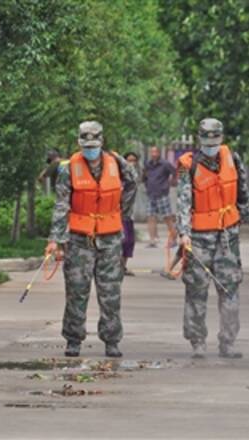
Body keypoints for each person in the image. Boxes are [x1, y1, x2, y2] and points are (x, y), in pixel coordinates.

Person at [46, 121, 137, 358]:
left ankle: (112, 340)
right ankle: (73, 339)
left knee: (110, 292)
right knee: (77, 291)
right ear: (80, 143)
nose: (90, 150)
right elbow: (61, 204)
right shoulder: (69, 168)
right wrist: (55, 238)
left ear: (102, 143)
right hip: (79, 238)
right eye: (86, 146)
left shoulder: (117, 163)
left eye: (93, 146)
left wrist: (121, 212)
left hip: (109, 238)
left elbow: (132, 183)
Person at [176, 118, 249, 359]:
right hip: (199, 237)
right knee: (196, 290)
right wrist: (184, 233)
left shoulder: (233, 158)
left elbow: (242, 191)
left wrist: (243, 216)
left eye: (215, 140)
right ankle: (197, 341)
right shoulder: (189, 165)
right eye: (207, 140)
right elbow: (183, 200)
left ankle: (228, 342)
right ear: (200, 139)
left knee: (230, 289)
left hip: (228, 236)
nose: (212, 145)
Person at [143, 146, 177, 247]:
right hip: (151, 194)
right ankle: (152, 240)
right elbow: (144, 176)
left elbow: (174, 172)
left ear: (159, 153)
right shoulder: (148, 164)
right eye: (152, 152)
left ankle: (173, 239)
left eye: (155, 152)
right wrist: (147, 185)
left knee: (167, 217)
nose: (154, 154)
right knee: (151, 217)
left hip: (162, 194)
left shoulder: (165, 164)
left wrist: (171, 182)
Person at [121, 152, 140, 276]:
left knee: (129, 242)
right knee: (123, 241)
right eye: (128, 160)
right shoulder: (121, 176)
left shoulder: (134, 175)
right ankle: (118, 267)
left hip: (128, 214)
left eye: (133, 160)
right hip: (118, 214)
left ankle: (123, 266)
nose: (131, 163)